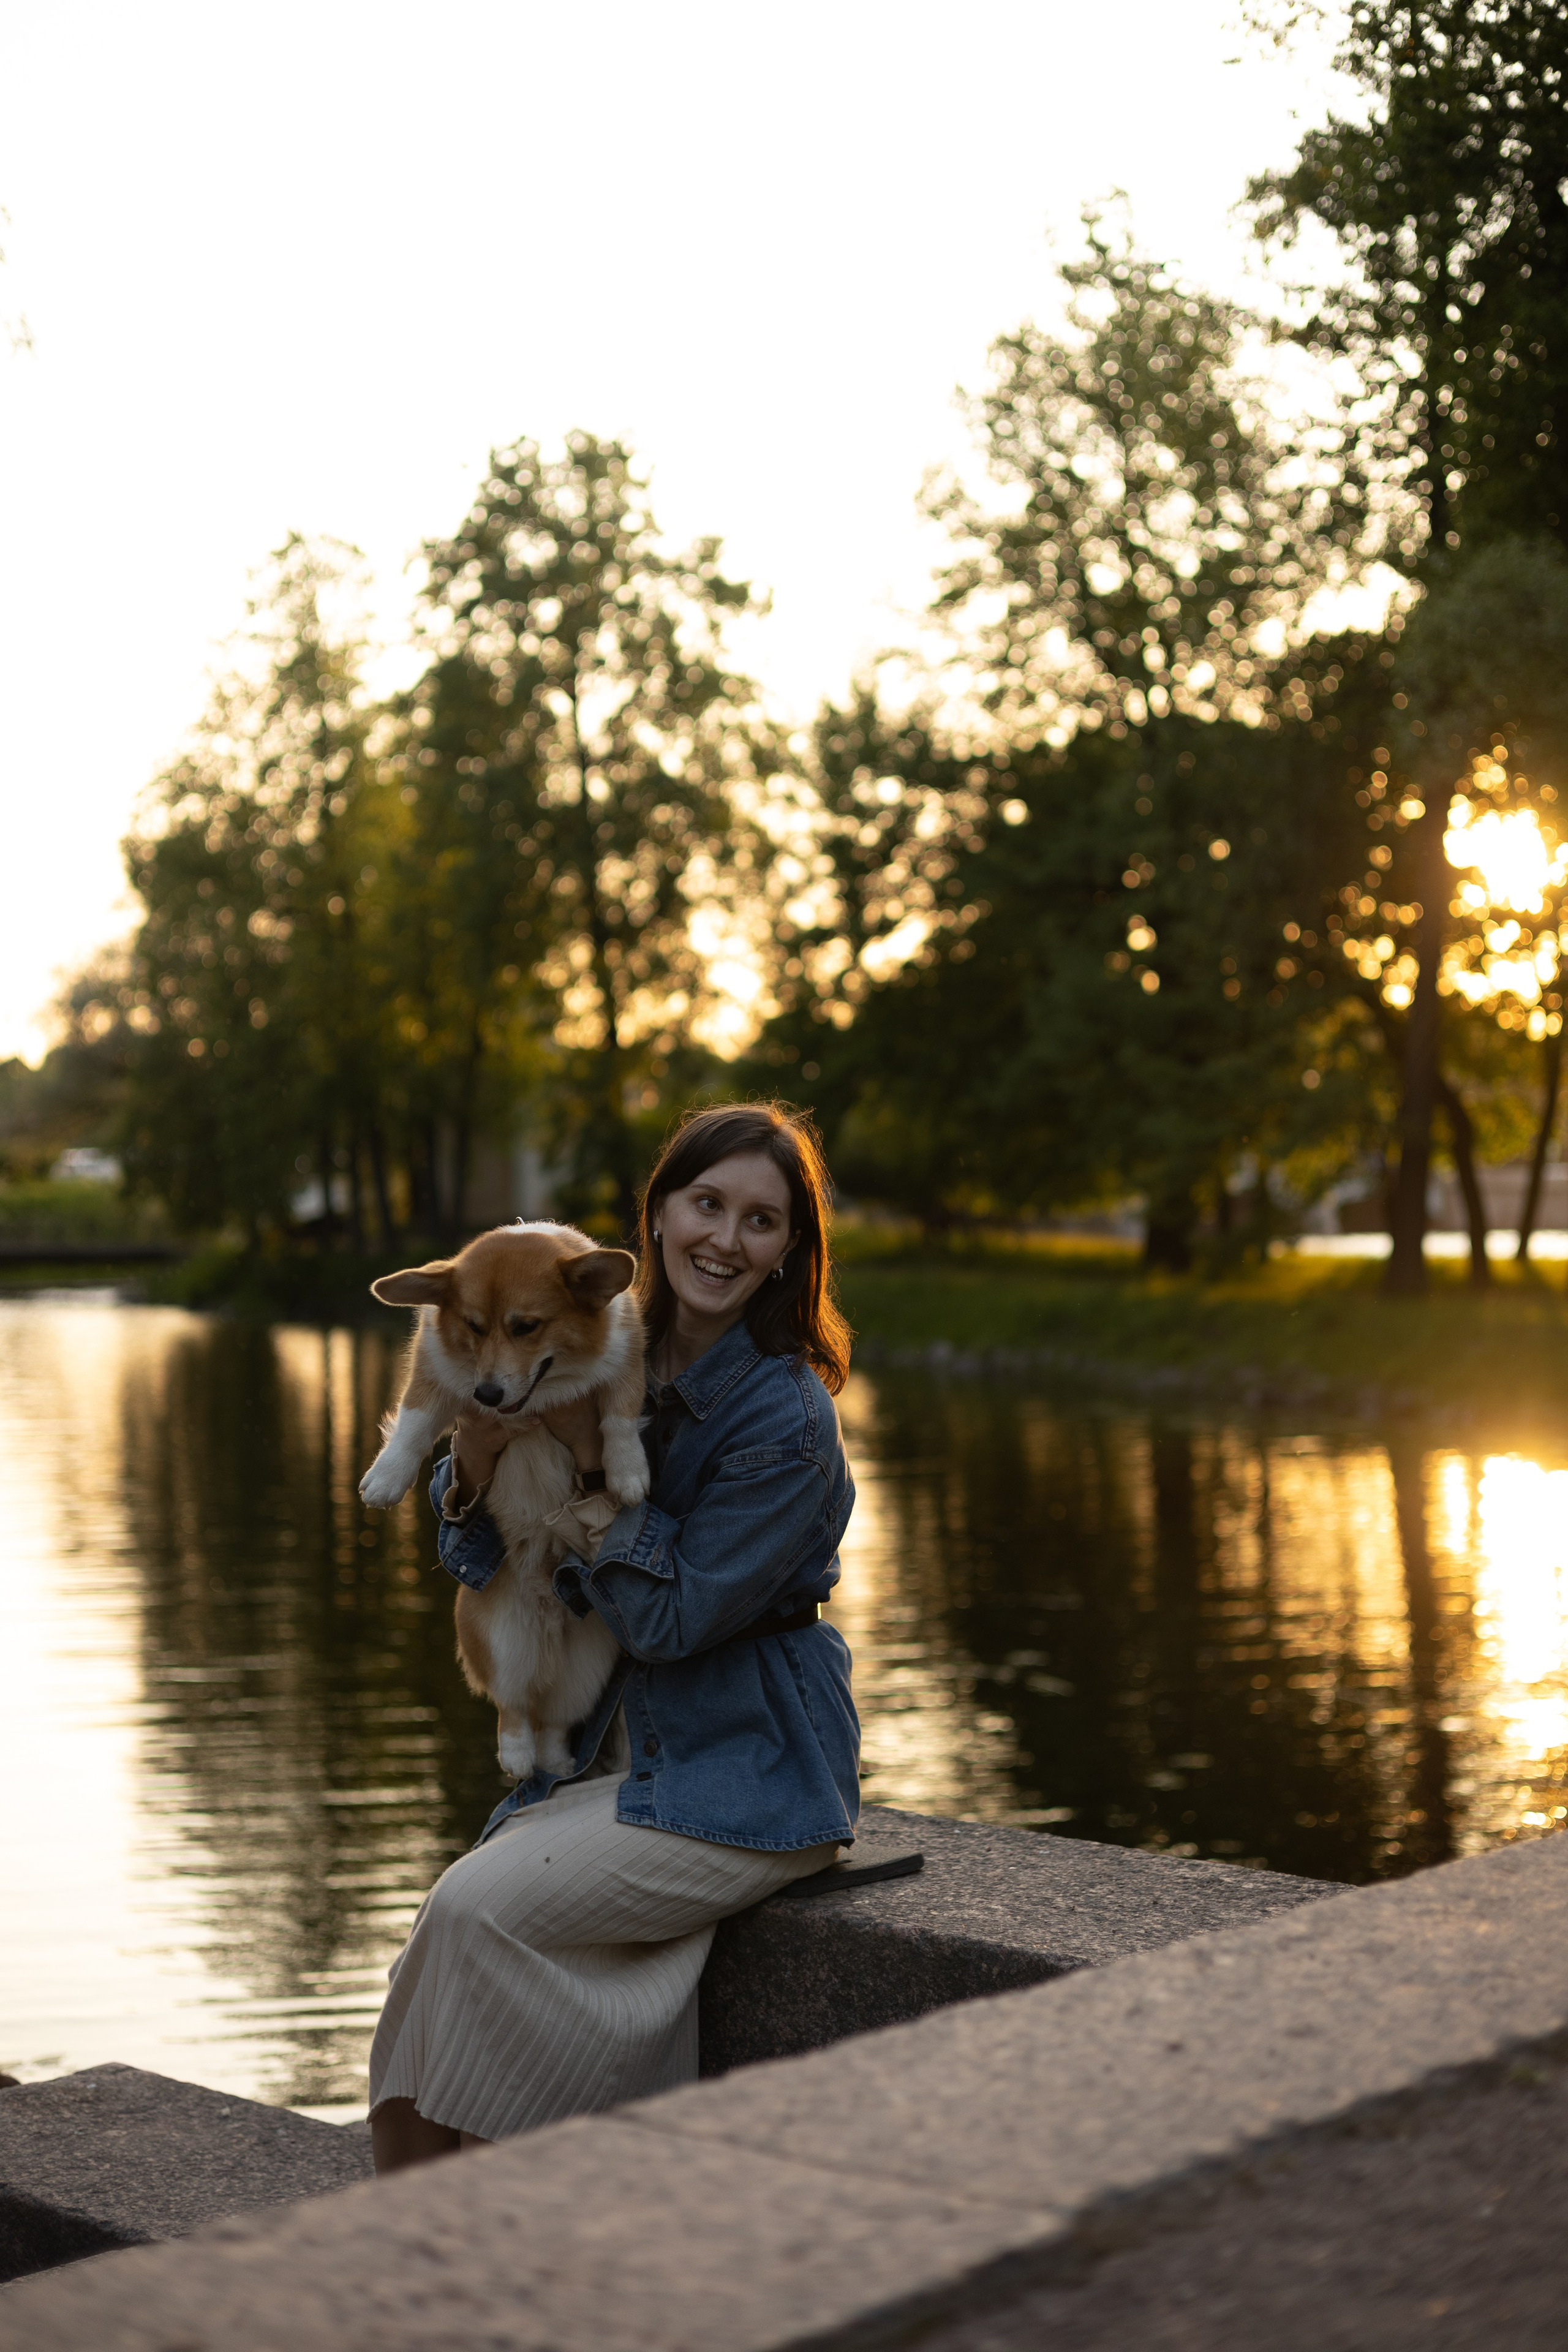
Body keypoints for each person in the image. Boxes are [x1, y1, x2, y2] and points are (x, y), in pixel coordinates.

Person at [368, 1102, 859, 2171]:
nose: (726, 1239)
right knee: (431, 1953)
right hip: (614, 1746)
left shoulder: (784, 1421)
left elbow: (673, 1622)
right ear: (658, 1217)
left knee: (474, 1910)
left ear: (790, 1252)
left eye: (762, 1221)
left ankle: (516, 2237)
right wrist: (478, 1477)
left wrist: (593, 1473)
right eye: (707, 1204)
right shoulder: (580, 1344)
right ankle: (411, 2260)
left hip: (743, 1764)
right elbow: (477, 1559)